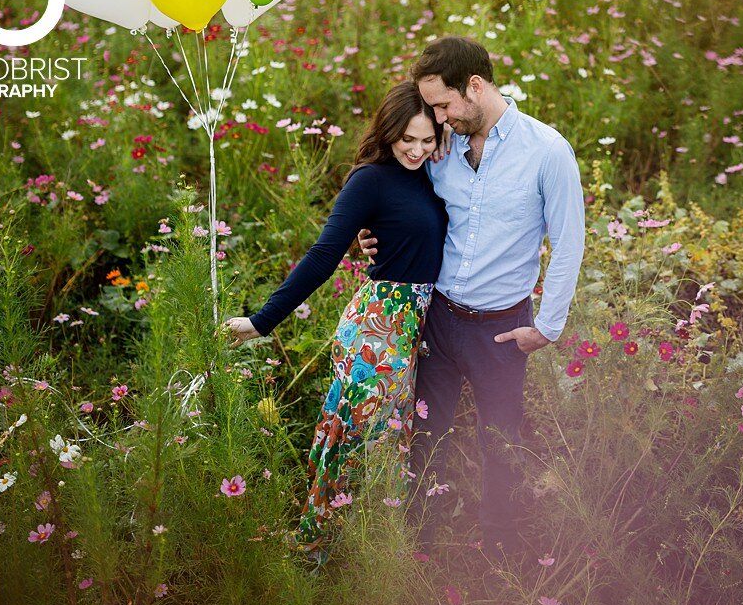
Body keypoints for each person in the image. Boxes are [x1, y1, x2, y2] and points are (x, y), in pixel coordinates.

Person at [359, 35, 584, 564]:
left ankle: (500, 554)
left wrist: (546, 326)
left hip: (501, 330)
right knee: (423, 437)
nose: (437, 117)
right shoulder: (444, 148)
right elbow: (412, 206)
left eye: (442, 104)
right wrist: (372, 235)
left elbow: (569, 242)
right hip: (437, 317)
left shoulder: (547, 151)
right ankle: (420, 549)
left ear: (475, 87)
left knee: (500, 443)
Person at [223, 81, 446, 560]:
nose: (417, 149)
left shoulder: (436, 175)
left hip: (414, 329)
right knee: (352, 439)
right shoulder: (370, 179)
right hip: (376, 329)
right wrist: (263, 322)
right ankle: (314, 548)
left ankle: (374, 551)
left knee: (390, 442)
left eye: (428, 140)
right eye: (408, 138)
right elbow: (324, 253)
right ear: (388, 132)